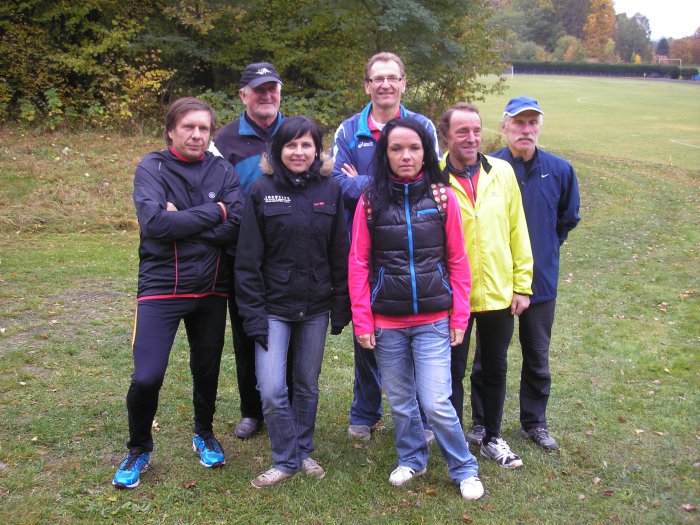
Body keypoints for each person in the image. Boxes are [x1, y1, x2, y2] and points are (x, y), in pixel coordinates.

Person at [349, 117, 483, 501]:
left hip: (433, 320)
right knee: (402, 401)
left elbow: (458, 261)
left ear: (426, 152)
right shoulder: (370, 202)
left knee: (436, 402)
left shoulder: (443, 198)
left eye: (414, 148)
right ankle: (412, 458)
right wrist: (363, 321)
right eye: (396, 149)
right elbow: (358, 263)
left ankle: (464, 467)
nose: (406, 156)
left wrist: (460, 316)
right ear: (385, 154)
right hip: (386, 322)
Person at [112, 97, 244, 489]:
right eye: (188, 126)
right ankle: (139, 448)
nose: (197, 134)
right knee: (147, 376)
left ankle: (204, 432)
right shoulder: (151, 167)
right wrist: (215, 212)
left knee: (207, 369)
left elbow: (237, 224)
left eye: (204, 128)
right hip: (161, 289)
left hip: (211, 289)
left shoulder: (222, 169)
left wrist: (181, 220)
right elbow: (154, 224)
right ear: (171, 130)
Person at [235, 116, 351, 488]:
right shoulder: (261, 191)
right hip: (273, 307)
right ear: (277, 150)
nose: (299, 152)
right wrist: (252, 314)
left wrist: (341, 304)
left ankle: (301, 452)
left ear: (317, 150)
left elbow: (340, 252)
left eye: (306, 145)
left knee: (306, 385)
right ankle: (286, 458)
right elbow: (247, 260)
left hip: (315, 306)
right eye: (291, 145)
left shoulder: (331, 189)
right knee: (271, 389)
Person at [332, 51, 440, 443]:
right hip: (367, 249)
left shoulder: (423, 126)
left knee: (418, 336)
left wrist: (364, 182)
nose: (385, 84)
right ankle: (365, 412)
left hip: (413, 248)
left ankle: (424, 418)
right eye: (377, 78)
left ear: (404, 83)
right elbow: (338, 185)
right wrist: (388, 186)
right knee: (368, 335)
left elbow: (431, 180)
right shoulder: (349, 130)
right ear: (367, 85)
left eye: (392, 77)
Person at [466, 96, 579, 451]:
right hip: (496, 281)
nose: (525, 130)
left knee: (537, 356)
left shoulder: (560, 170)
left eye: (532, 123)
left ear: (540, 127)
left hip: (539, 281)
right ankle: (482, 421)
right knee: (488, 357)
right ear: (504, 127)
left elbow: (567, 218)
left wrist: (545, 246)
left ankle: (534, 422)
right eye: (518, 123)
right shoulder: (488, 167)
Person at [439, 102, 533, 469]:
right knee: (451, 370)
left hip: (498, 291)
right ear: (446, 135)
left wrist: (522, 285)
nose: (471, 137)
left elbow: (517, 229)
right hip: (452, 296)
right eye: (462, 131)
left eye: (476, 130)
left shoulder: (502, 172)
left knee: (494, 368)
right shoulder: (434, 176)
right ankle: (452, 439)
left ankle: (491, 435)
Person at [210, 62, 290, 439]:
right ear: (243, 95)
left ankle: (287, 405)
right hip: (241, 255)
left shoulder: (295, 132)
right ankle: (251, 410)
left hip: (290, 253)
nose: (267, 95)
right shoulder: (224, 141)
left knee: (291, 332)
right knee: (246, 332)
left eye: (272, 88)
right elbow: (214, 195)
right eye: (259, 90)